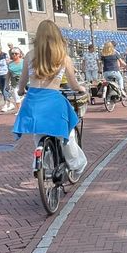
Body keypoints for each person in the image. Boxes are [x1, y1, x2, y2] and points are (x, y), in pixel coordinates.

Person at [13, 21, 87, 175]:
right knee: (68, 133)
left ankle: (42, 167)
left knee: (38, 134)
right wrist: (81, 89)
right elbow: (73, 84)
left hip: (33, 101)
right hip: (53, 101)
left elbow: (22, 82)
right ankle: (76, 163)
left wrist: (20, 91)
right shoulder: (63, 57)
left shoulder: (29, 56)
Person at [0, 45, 15, 112]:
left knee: (5, 90)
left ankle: (5, 104)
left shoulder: (5, 55)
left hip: (5, 73)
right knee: (2, 91)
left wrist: (11, 73)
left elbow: (9, 64)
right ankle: (11, 103)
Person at [6, 49, 25, 114]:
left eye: (16, 53)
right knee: (16, 96)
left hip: (25, 82)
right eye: (12, 53)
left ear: (19, 54)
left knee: (28, 96)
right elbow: (8, 74)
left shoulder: (24, 62)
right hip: (14, 82)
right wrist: (7, 84)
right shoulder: (10, 63)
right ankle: (19, 110)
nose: (14, 55)